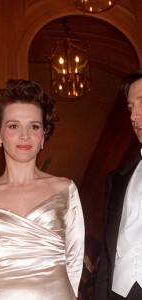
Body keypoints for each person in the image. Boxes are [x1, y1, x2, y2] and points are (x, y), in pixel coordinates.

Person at [0, 79, 85, 299]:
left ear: (43, 135)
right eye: (13, 126)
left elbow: (75, 262)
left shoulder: (65, 190)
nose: (25, 135)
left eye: (34, 126)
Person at [94, 70, 142, 300]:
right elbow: (107, 254)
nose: (134, 116)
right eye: (131, 107)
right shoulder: (117, 178)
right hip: (120, 293)